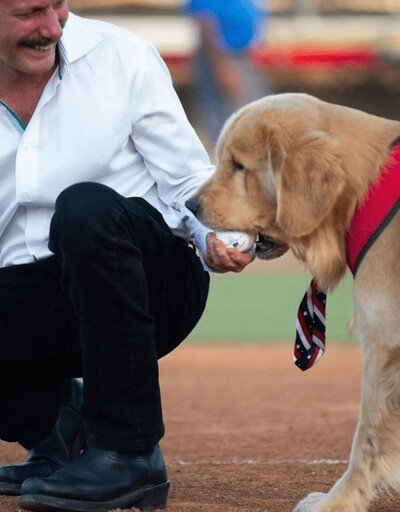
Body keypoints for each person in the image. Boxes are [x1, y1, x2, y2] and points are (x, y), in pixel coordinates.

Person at [0, 1, 254, 511]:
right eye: (30, 12)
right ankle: (59, 430)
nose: (52, 27)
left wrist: (217, 234)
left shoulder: (123, 57)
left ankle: (129, 452)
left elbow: (187, 177)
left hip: (147, 280)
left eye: (58, 5)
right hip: (37, 298)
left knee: (84, 208)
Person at [183, 0, 268, 151]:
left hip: (237, 56)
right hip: (224, 57)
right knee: (230, 119)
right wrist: (221, 64)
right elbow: (206, 17)